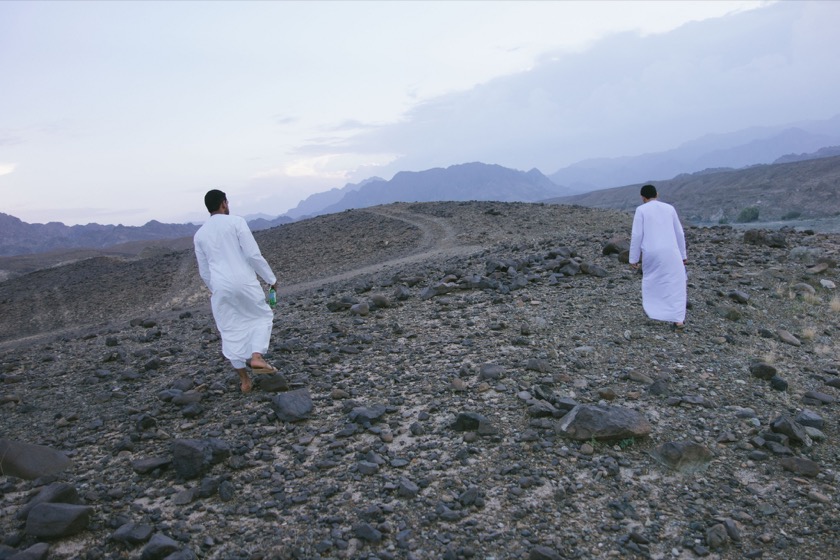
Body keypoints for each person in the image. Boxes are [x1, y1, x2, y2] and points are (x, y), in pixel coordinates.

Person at [194, 189, 278, 393]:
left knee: (230, 329)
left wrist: (218, 289)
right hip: (244, 281)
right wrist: (271, 279)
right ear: (223, 204)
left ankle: (245, 381)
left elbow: (204, 272)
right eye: (227, 202)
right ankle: (256, 357)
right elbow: (252, 254)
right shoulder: (237, 222)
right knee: (262, 316)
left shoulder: (200, 235)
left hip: (220, 286)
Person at [628, 184, 688, 329]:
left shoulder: (641, 210)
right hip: (671, 251)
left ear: (643, 197)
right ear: (657, 194)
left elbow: (637, 235)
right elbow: (679, 232)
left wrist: (633, 258)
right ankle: (678, 319)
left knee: (653, 281)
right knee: (676, 283)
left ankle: (656, 311)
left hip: (651, 252)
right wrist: (683, 254)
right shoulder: (670, 208)